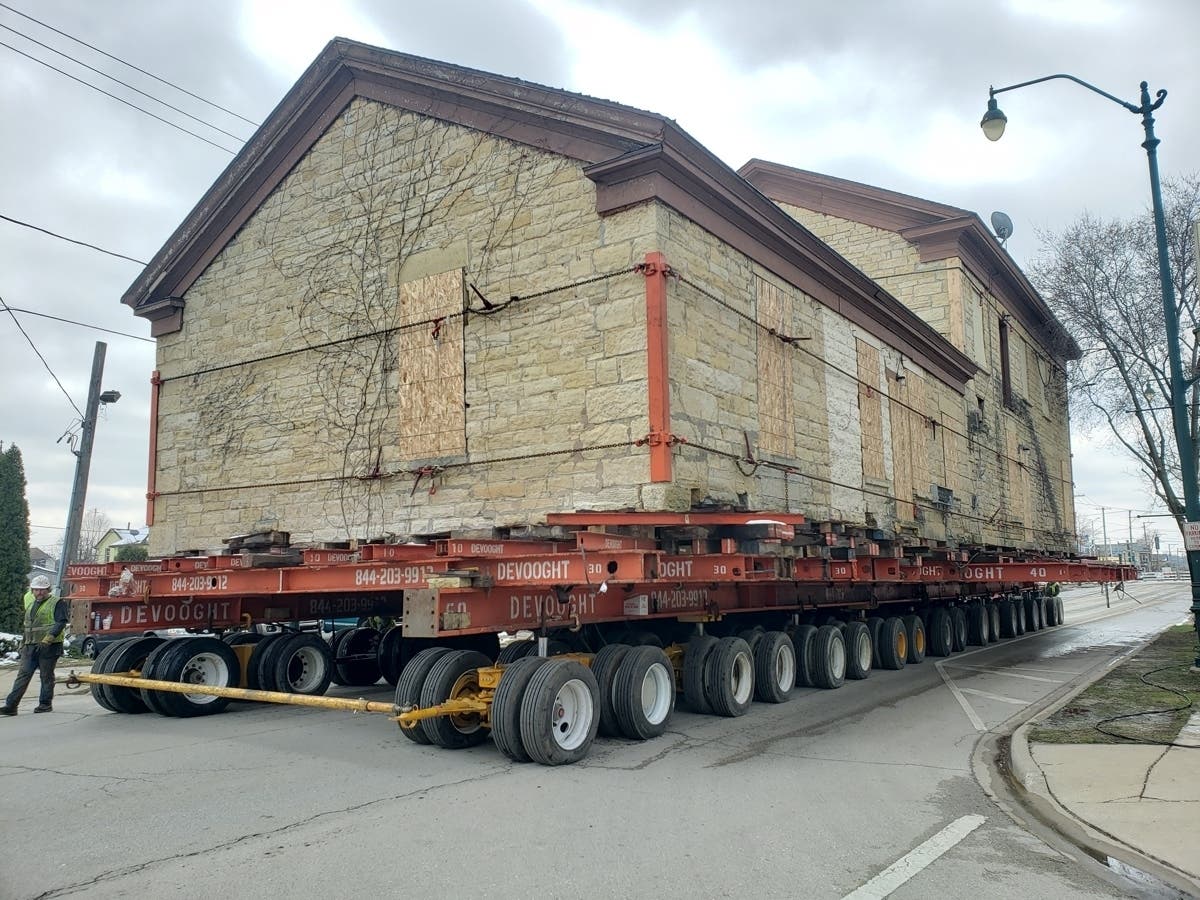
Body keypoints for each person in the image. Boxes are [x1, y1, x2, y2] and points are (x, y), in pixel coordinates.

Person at [2, 574, 69, 715]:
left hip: (50, 646)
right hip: (30, 645)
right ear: (32, 590)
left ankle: (45, 704)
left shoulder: (58, 602)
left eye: (42, 590)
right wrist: (23, 644)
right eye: (36, 590)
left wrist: (48, 639)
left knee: (46, 676)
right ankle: (11, 705)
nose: (39, 592)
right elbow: (28, 626)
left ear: (48, 590)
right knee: (23, 675)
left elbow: (61, 622)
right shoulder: (31, 602)